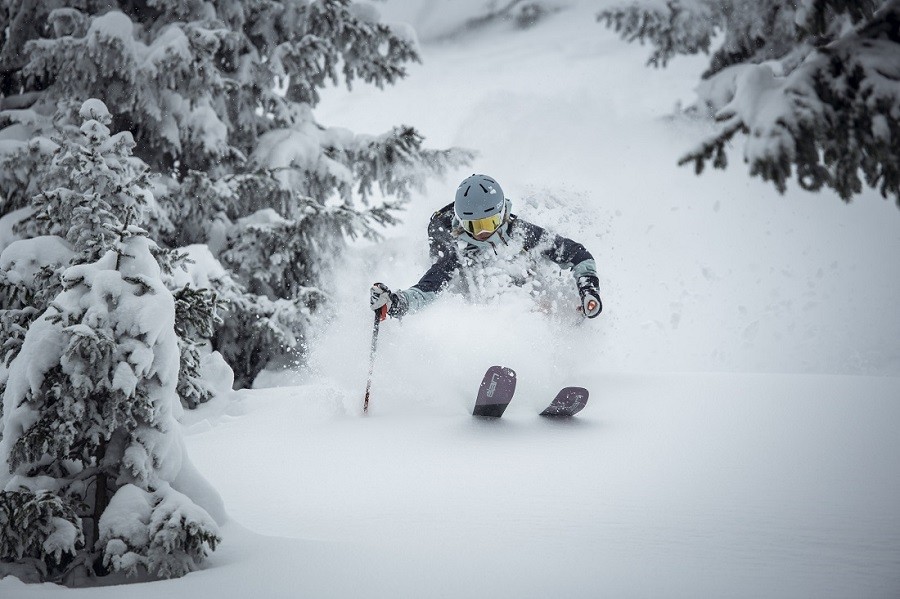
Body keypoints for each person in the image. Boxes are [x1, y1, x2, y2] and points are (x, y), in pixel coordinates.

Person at [370, 173, 602, 320]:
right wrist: (396, 303)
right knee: (491, 296)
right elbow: (428, 288)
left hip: (516, 286)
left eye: (490, 223)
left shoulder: (519, 231)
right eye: (474, 225)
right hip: (475, 293)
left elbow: (578, 255)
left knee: (532, 295)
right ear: (461, 222)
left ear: (503, 213)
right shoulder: (454, 250)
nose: (482, 233)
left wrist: (589, 290)